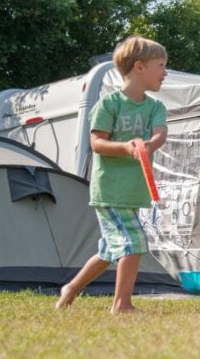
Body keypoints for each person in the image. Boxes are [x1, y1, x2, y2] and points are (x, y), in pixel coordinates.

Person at [56, 36, 168, 313]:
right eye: (161, 66)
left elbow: (159, 134)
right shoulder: (109, 105)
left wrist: (148, 145)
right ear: (139, 67)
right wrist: (127, 147)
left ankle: (70, 288)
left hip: (134, 191)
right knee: (134, 242)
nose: (165, 73)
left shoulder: (155, 107)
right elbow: (97, 144)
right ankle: (122, 305)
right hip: (110, 191)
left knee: (109, 251)